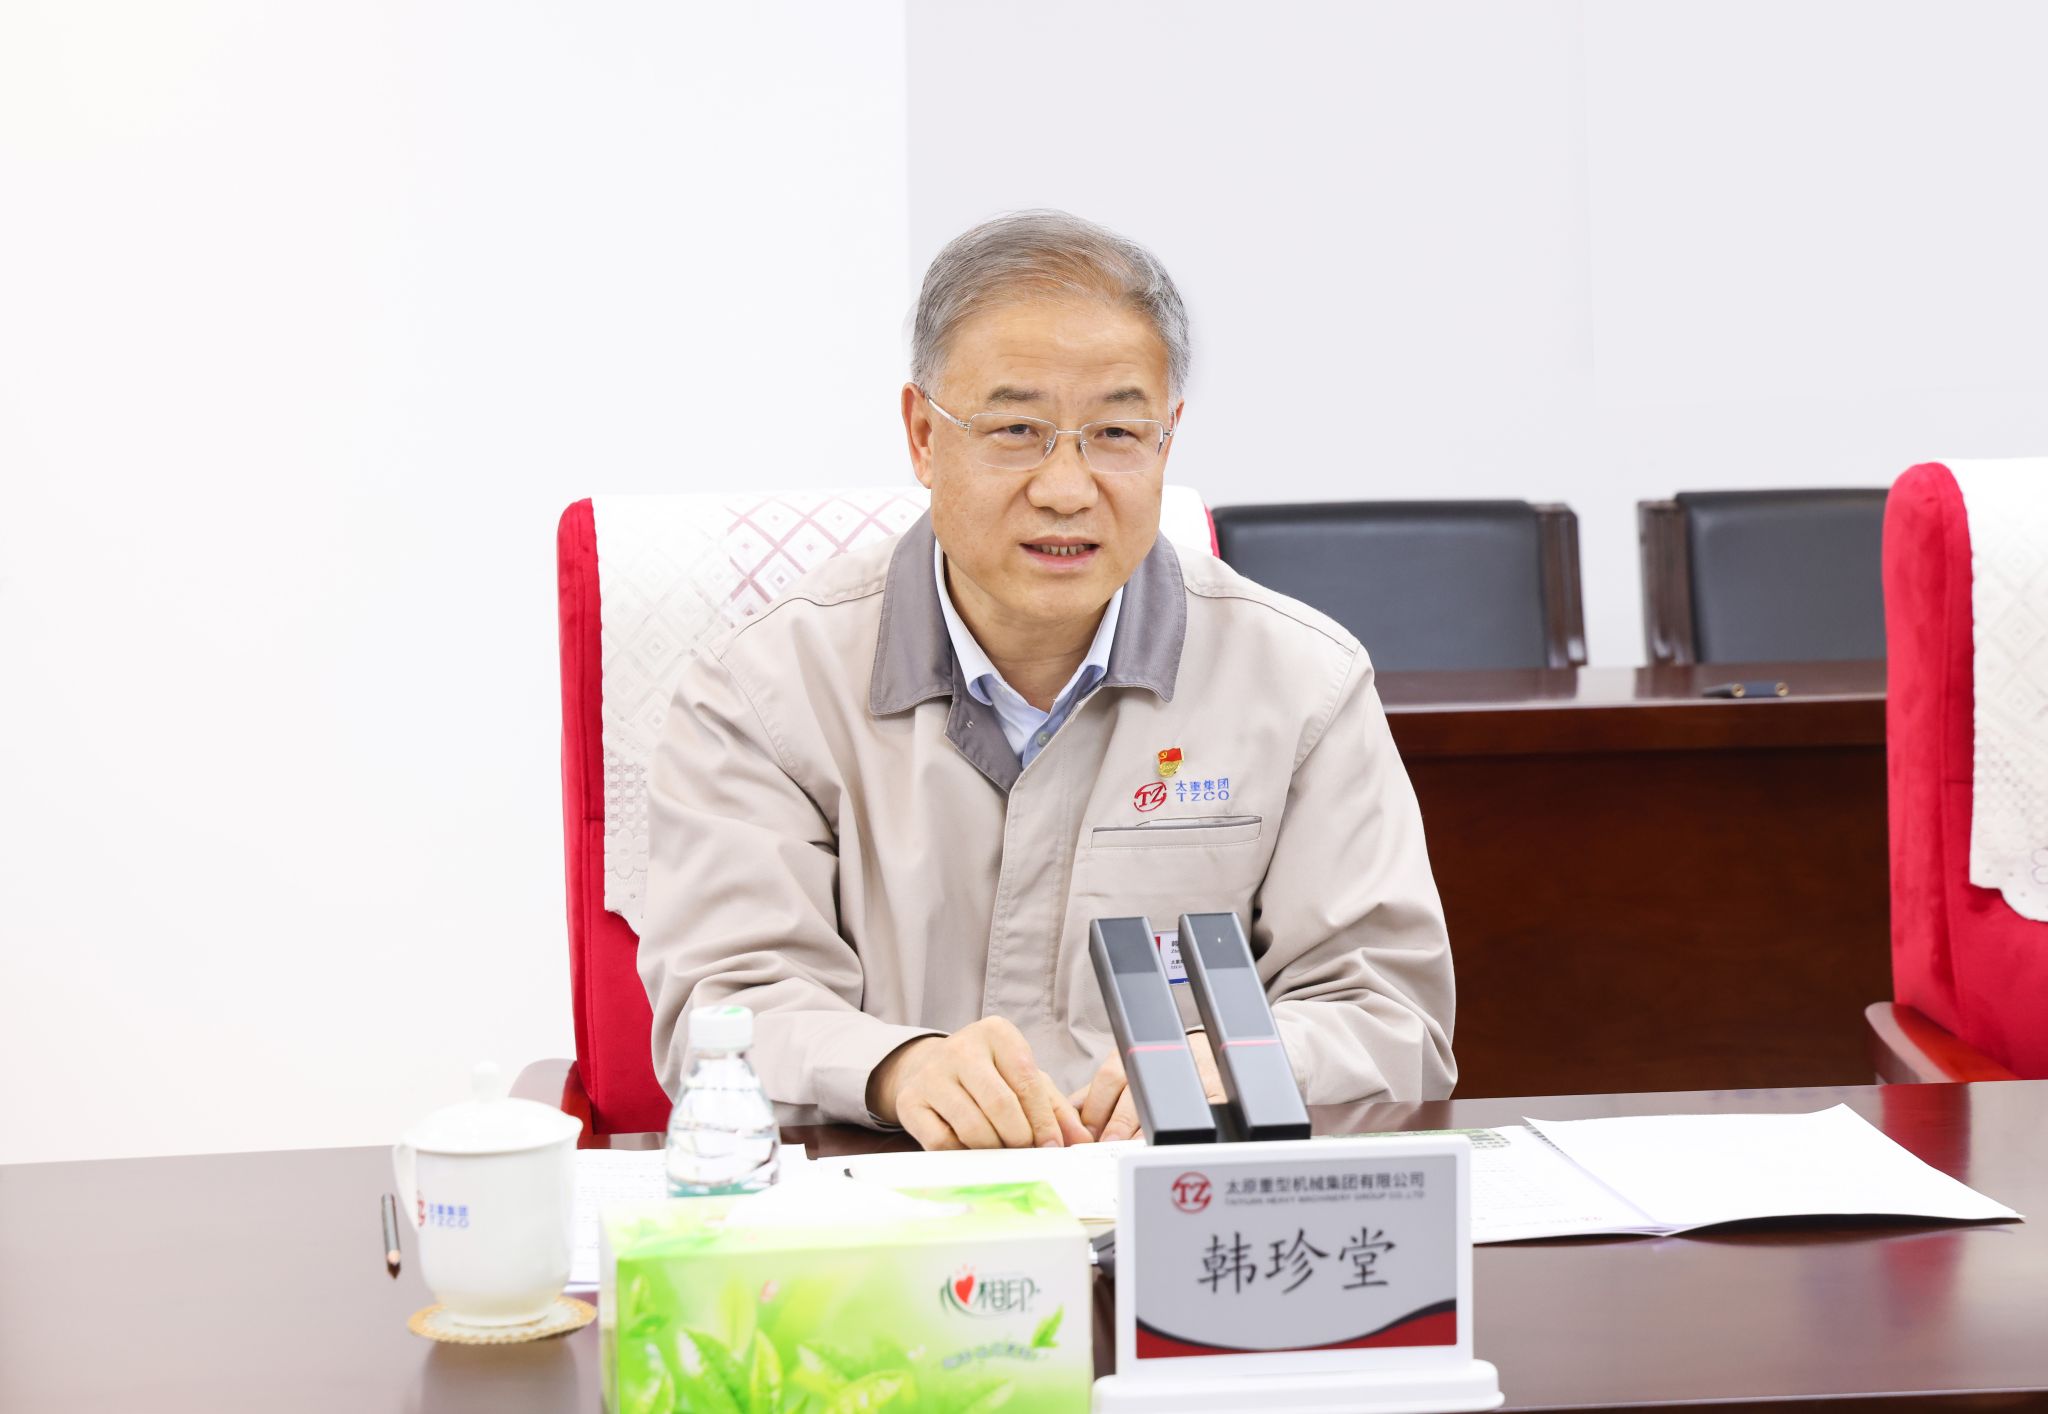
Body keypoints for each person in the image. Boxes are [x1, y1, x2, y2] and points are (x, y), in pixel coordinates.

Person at [641, 210, 1455, 1150]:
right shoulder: (765, 689)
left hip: (1177, 1200)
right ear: (923, 435)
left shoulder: (1303, 682)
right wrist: (897, 1068)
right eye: (1017, 429)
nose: (1067, 489)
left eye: (1115, 432)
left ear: (1166, 440)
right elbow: (724, 1006)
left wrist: (1238, 1061)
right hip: (889, 1204)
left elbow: (1390, 1015)